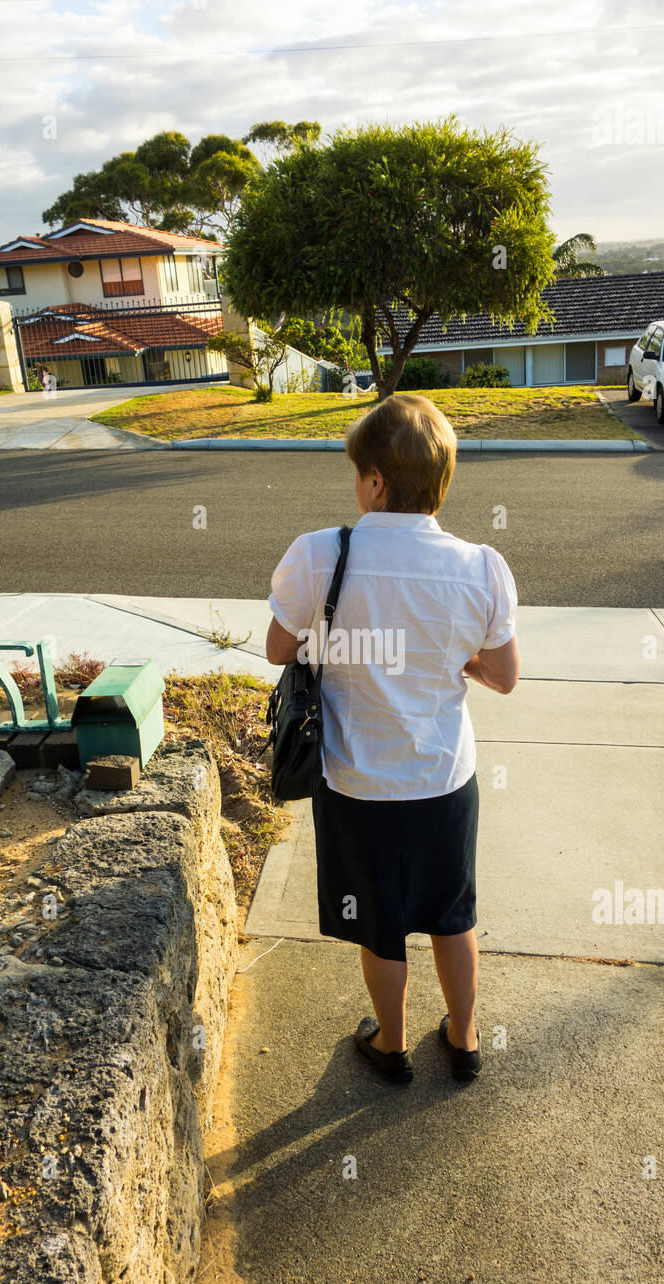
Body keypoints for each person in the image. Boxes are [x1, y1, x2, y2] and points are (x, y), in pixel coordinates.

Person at [265, 393, 519, 1085]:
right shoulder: (481, 567)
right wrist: (444, 653)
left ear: (376, 481)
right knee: (451, 912)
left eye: (358, 474)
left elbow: (278, 649)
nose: (355, 487)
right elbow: (502, 676)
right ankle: (464, 1040)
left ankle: (393, 1044)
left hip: (356, 781)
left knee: (378, 922)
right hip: (443, 778)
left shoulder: (320, 554)